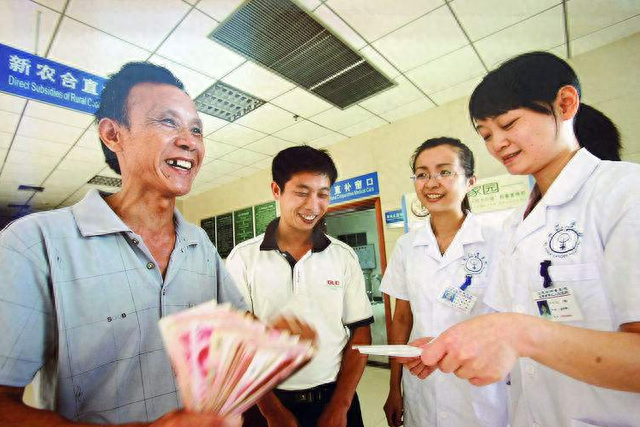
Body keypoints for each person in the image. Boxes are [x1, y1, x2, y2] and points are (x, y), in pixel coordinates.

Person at [0, 62, 249, 426]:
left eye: (196, 129)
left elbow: (238, 326)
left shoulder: (199, 243)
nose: (190, 141)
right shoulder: (34, 244)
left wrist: (278, 338)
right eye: (168, 122)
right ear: (113, 135)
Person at [406, 51, 640, 426]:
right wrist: (450, 344)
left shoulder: (625, 192)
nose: (497, 143)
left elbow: (518, 330)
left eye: (509, 124)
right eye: (486, 134)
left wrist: (522, 334)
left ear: (565, 104)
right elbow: (504, 321)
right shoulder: (517, 224)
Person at [226, 146, 373, 427]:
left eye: (323, 194)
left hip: (333, 397)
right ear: (276, 190)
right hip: (263, 401)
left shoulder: (343, 256)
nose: (313, 206)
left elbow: (361, 332)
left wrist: (340, 405)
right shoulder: (243, 258)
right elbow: (237, 342)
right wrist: (272, 412)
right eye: (302, 192)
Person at [380, 138, 508, 427]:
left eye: (444, 172)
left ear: (470, 181)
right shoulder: (407, 246)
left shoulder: (498, 241)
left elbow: (510, 318)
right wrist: (394, 387)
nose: (431, 183)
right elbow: (402, 319)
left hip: (479, 386)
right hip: (422, 383)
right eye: (422, 174)